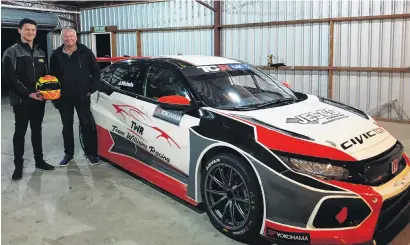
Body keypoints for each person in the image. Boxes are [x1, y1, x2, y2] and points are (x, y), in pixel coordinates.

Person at [2, 18, 56, 181]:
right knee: (20, 132)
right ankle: (18, 167)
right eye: (27, 30)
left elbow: (45, 77)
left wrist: (49, 91)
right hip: (21, 101)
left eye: (33, 30)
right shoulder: (11, 52)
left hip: (39, 99)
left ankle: (39, 161)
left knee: (37, 130)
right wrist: (28, 94)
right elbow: (9, 78)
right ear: (19, 30)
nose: (30, 32)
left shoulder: (40, 53)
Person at [49, 26, 100, 167]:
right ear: (62, 38)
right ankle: (68, 154)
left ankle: (91, 154)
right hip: (63, 98)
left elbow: (96, 73)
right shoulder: (56, 55)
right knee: (67, 126)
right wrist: (53, 95)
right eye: (66, 36)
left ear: (76, 37)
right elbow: (52, 77)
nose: (69, 38)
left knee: (86, 124)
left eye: (71, 36)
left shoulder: (86, 53)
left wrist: (91, 89)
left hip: (82, 96)